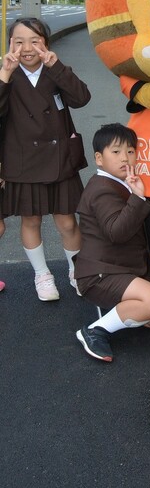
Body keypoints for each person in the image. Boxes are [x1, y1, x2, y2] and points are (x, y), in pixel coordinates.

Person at [0, 17, 91, 301]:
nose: (27, 48)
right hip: (23, 160)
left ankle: (77, 271)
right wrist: (4, 75)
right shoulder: (7, 75)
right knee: (31, 221)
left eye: (34, 41)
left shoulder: (56, 71)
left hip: (59, 160)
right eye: (19, 42)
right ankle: (42, 275)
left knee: (67, 222)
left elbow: (81, 98)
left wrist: (57, 66)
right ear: (10, 46)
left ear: (46, 45)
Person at [75, 123, 150, 363]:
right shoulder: (102, 189)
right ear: (99, 158)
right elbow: (117, 232)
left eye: (130, 151)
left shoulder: (118, 183)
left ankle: (112, 311)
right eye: (115, 152)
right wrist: (138, 197)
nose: (125, 158)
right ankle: (95, 330)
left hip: (118, 268)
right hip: (100, 274)